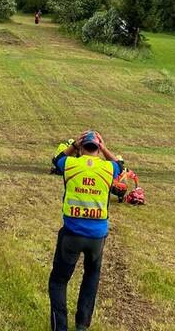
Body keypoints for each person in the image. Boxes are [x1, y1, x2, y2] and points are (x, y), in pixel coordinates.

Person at [49, 130, 121, 331]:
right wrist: (105, 147)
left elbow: (57, 160)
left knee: (58, 281)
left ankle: (60, 328)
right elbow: (121, 166)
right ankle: (81, 326)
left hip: (71, 234)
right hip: (97, 237)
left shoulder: (71, 164)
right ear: (98, 149)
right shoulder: (108, 168)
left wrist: (73, 145)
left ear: (81, 147)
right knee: (91, 277)